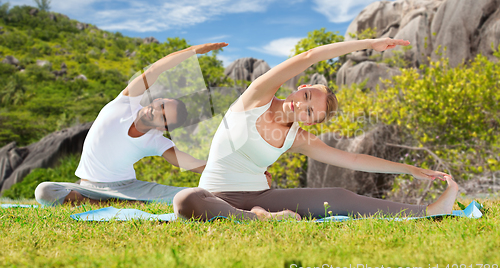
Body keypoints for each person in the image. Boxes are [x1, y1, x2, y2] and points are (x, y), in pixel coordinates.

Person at [173, 38, 458, 221]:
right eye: (306, 97)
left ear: (309, 122)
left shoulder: (297, 137)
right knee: (185, 199)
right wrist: (369, 43)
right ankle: (259, 219)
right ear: (302, 87)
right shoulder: (256, 97)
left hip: (261, 196)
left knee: (340, 196)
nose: (302, 106)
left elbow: (355, 160)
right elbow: (308, 56)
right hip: (214, 196)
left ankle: (429, 212)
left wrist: (407, 168)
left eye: (310, 112)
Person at [35, 42, 228, 206]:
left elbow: (193, 164)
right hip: (86, 186)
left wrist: (240, 170)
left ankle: (123, 200)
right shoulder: (124, 103)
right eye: (161, 105)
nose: (156, 110)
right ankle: (116, 202)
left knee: (189, 194)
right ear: (157, 99)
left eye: (163, 116)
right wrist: (193, 50)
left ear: (162, 128)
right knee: (44, 191)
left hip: (128, 187)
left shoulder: (156, 141)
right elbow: (155, 70)